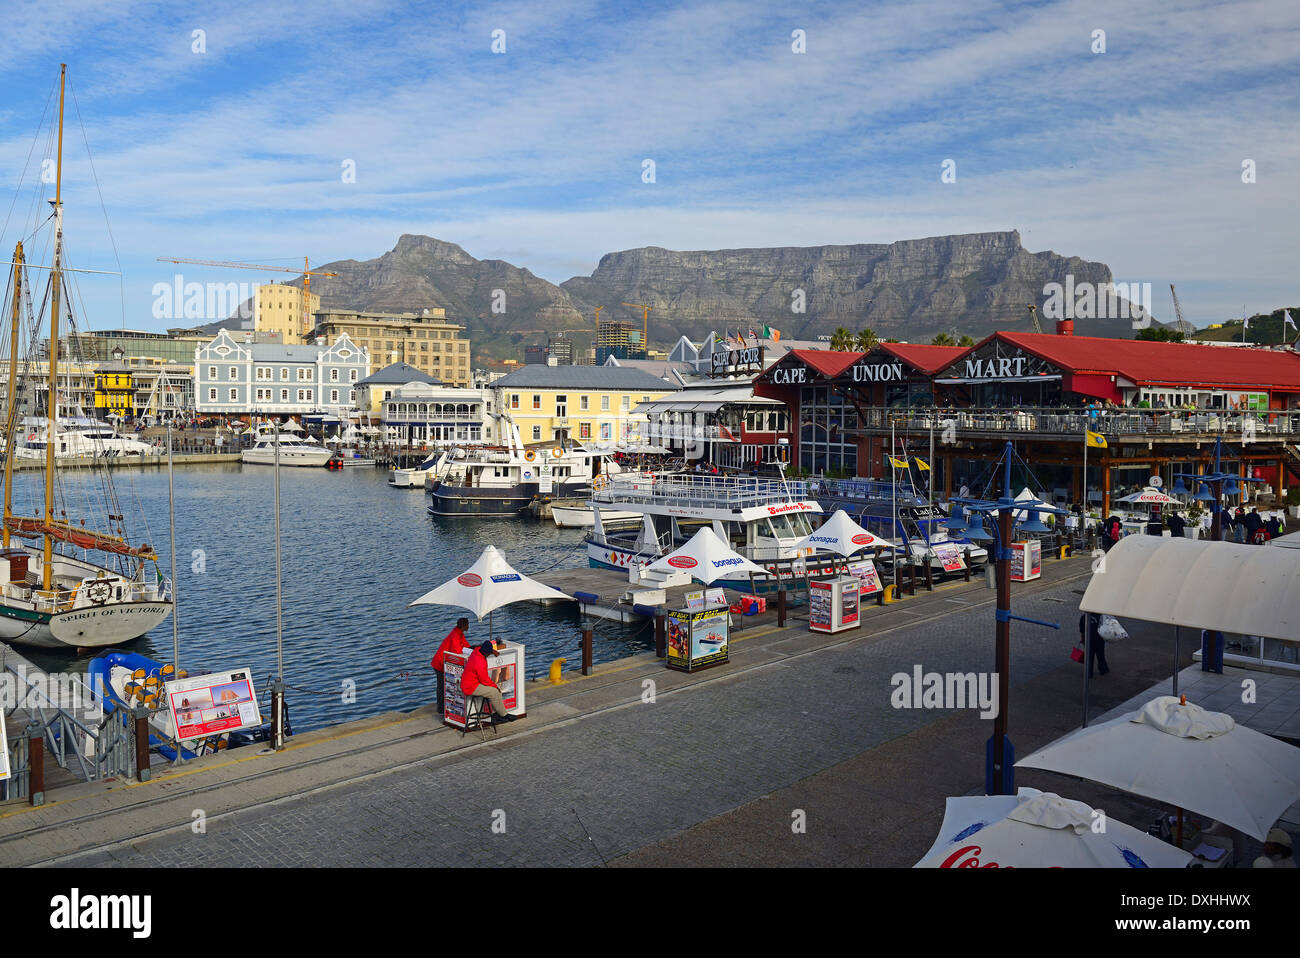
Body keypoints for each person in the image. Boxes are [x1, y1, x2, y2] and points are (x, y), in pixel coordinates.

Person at [461, 639, 516, 724]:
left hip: (474, 682)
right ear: (486, 653)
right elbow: (484, 680)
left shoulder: (477, 650)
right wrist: (494, 686)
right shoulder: (478, 662)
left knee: (497, 690)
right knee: (493, 691)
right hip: (470, 687)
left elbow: (481, 647)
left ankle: (497, 713)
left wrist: (494, 652)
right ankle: (504, 715)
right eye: (489, 653)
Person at [431, 617, 471, 713]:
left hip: (443, 662)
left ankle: (444, 706)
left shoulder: (459, 633)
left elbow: (466, 645)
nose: (469, 626)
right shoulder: (454, 636)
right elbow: (457, 652)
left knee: (444, 686)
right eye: (468, 624)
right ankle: (440, 709)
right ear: (464, 626)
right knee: (441, 687)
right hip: (439, 664)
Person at [1079, 611, 1109, 677]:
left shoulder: (1084, 617)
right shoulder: (1100, 616)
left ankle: (1089, 673)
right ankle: (1103, 669)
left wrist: (1082, 639)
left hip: (1089, 640)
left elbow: (1082, 630)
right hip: (1099, 639)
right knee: (1100, 655)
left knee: (1089, 657)